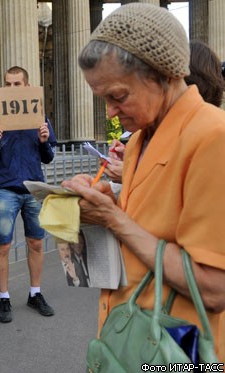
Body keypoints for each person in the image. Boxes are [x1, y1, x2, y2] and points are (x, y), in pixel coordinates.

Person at [61, 3, 225, 361]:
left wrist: (113, 218)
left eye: (118, 96)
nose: (110, 112)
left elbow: (215, 289)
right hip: (131, 336)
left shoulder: (215, 136)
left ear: (163, 74)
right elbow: (153, 229)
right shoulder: (139, 140)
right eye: (103, 98)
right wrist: (102, 206)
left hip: (184, 349)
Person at [0, 66, 57, 323]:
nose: (12, 89)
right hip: (6, 190)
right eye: (8, 84)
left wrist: (44, 141)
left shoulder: (39, 116)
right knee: (3, 246)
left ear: (27, 86)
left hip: (34, 189)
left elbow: (49, 157)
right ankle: (4, 297)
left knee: (36, 243)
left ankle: (35, 293)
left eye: (17, 84)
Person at [104, 39, 225, 184]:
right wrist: (134, 161)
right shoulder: (146, 137)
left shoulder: (214, 134)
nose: (112, 113)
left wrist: (130, 175)